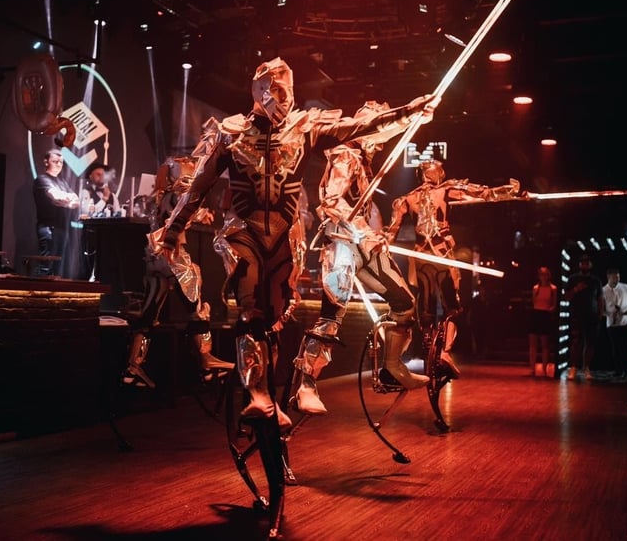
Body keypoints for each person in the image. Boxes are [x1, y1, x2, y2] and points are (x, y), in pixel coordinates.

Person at [157, 56, 439, 426]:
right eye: (275, 89)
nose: (284, 97)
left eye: (288, 89)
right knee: (251, 310)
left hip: (283, 239)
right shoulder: (232, 134)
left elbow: (359, 126)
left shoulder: (305, 129)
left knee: (274, 319)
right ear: (259, 91)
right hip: (245, 232)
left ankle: (285, 392)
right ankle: (259, 395)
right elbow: (198, 186)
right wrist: (173, 229)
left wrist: (409, 112)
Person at [294, 101, 439, 415]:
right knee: (331, 316)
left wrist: (377, 235)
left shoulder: (366, 160)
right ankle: (306, 384)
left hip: (364, 246)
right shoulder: (346, 153)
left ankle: (392, 367)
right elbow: (332, 202)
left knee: (405, 302)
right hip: (342, 245)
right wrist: (364, 233)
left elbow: (364, 208)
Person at [385, 160, 525, 358]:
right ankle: (445, 349)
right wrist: (510, 192)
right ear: (434, 174)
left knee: (426, 302)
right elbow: (482, 193)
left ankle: (428, 342)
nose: (442, 174)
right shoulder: (445, 190)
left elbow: (390, 233)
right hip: (441, 255)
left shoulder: (406, 199)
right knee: (453, 306)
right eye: (440, 171)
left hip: (422, 257)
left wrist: (381, 247)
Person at [121, 155, 233, 389]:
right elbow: (185, 212)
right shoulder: (180, 196)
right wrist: (201, 212)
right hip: (174, 257)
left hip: (154, 258)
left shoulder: (161, 197)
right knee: (197, 308)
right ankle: (205, 361)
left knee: (149, 313)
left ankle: (133, 366)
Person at [32, 148, 79, 276]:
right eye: (55, 161)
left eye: (61, 162)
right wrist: (66, 200)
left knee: (59, 267)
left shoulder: (62, 182)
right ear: (46, 162)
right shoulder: (42, 179)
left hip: (62, 228)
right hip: (48, 228)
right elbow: (56, 197)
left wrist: (65, 201)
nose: (59, 164)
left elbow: (76, 201)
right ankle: (39, 288)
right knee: (46, 265)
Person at [563, 254, 604, 381]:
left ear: (591, 265)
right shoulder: (573, 279)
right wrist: (576, 289)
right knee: (576, 342)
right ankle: (573, 368)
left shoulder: (596, 281)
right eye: (582, 263)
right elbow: (566, 297)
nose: (585, 265)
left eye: (587, 263)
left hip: (592, 315)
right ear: (579, 264)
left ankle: (586, 368)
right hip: (576, 315)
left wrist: (600, 313)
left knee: (590, 343)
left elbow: (600, 298)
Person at [602, 267, 627, 379]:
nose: (617, 280)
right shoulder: (603, 290)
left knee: (626, 347)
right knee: (615, 348)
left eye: (618, 277)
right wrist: (609, 314)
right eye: (614, 277)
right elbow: (601, 310)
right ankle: (618, 370)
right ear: (608, 277)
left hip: (625, 322)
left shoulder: (625, 287)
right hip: (611, 323)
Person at [528, 266, 558, 378]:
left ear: (548, 276)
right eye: (541, 274)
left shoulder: (553, 288)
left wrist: (550, 310)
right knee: (533, 344)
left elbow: (554, 304)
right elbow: (534, 302)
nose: (543, 277)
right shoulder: (535, 288)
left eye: (545, 274)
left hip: (545, 315)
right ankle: (532, 369)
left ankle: (544, 368)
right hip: (536, 314)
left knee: (545, 344)